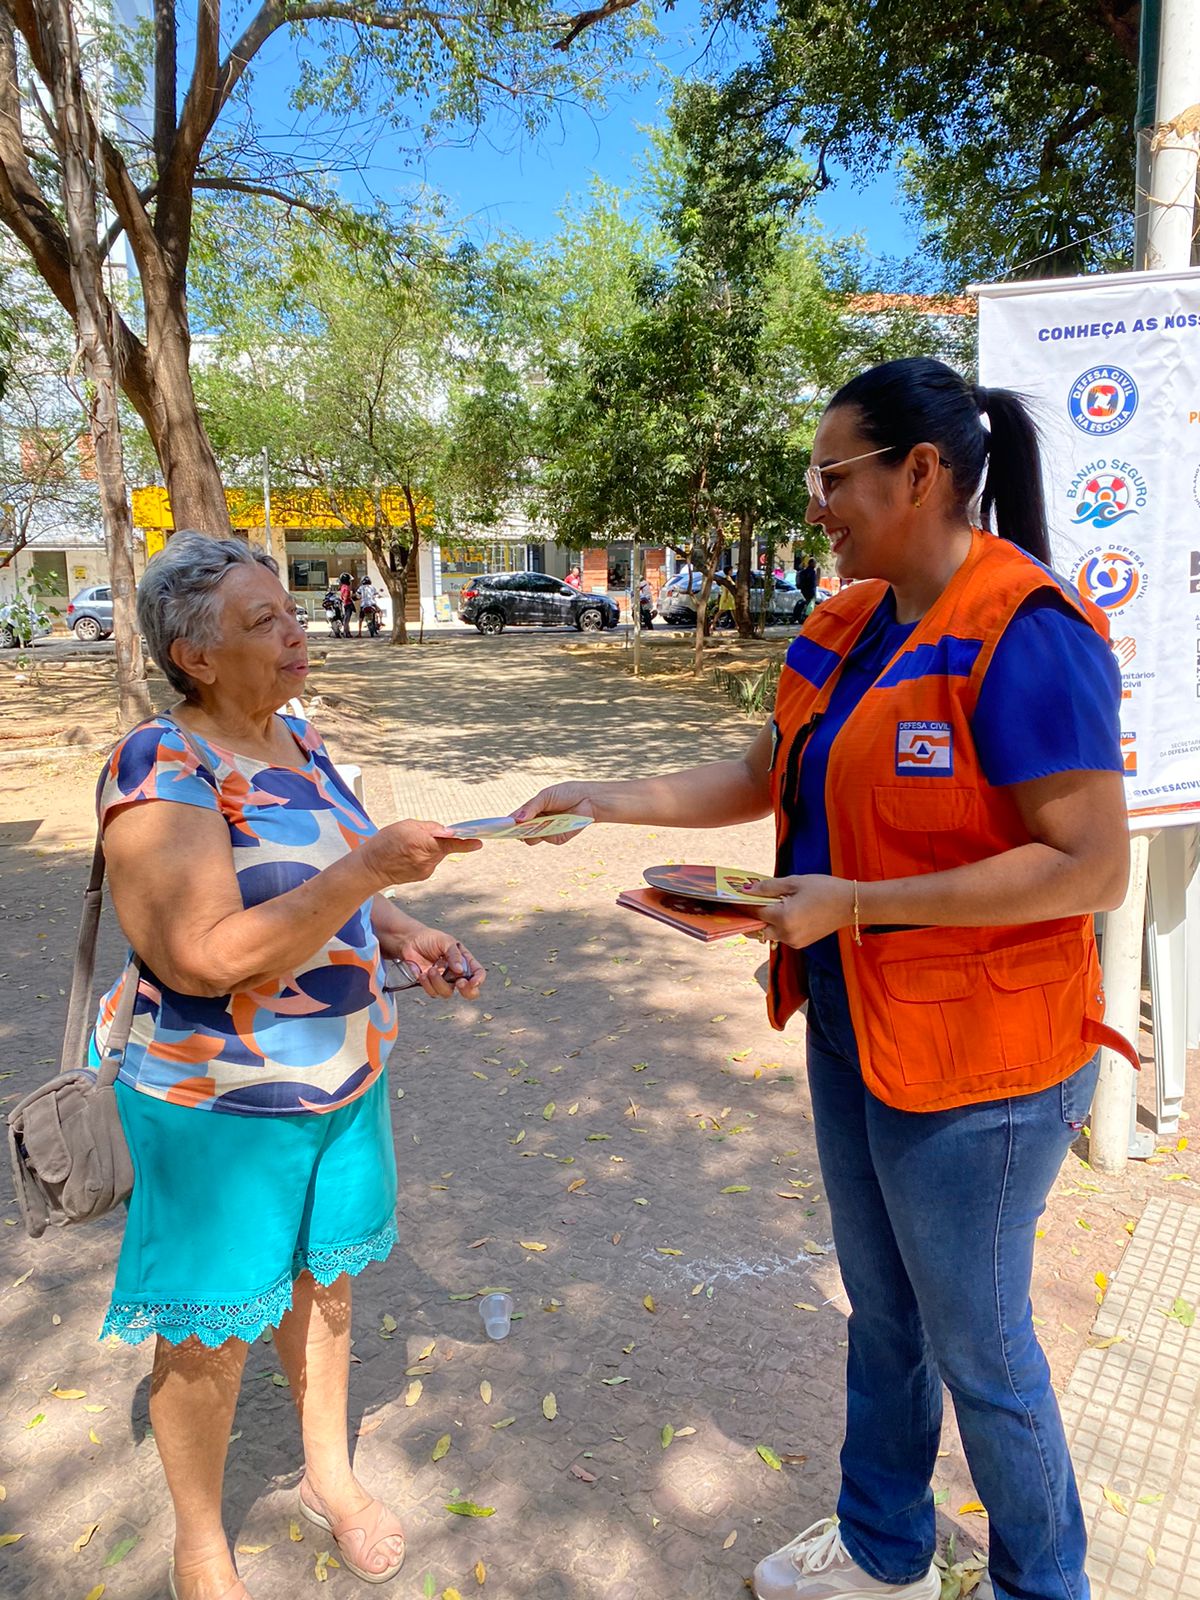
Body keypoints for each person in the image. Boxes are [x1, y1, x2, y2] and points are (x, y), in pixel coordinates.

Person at [510, 357, 1133, 1600]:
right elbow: (761, 774)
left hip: (986, 1068)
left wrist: (861, 905)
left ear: (920, 473)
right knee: (885, 1316)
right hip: (857, 1025)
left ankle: (1042, 1581)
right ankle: (884, 1547)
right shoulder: (848, 623)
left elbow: (1089, 868)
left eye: (833, 476)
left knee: (983, 1350)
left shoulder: (1026, 634)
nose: (816, 505)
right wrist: (604, 798)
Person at [92, 533, 486, 1600]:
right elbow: (201, 954)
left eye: (291, 609)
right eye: (262, 621)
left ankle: (328, 1475)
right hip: (220, 1103)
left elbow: (332, 880)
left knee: (329, 1289)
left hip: (344, 1079)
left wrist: (405, 929)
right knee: (209, 1330)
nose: (296, 629)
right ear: (197, 657)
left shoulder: (297, 739)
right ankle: (201, 1541)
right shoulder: (160, 765)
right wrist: (366, 865)